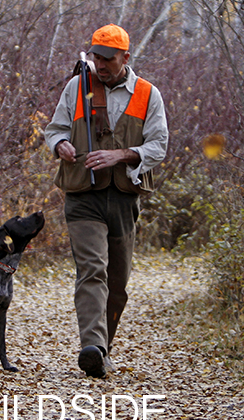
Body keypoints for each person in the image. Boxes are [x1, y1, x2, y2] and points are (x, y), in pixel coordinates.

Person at [44, 24, 168, 378]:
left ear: (126, 58)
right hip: (83, 196)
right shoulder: (77, 87)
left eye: (108, 59)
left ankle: (102, 350)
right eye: (95, 57)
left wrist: (120, 155)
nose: (100, 65)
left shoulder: (148, 94)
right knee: (91, 270)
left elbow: (158, 146)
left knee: (117, 283)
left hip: (124, 198)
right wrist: (60, 145)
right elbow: (54, 130)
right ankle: (92, 346)